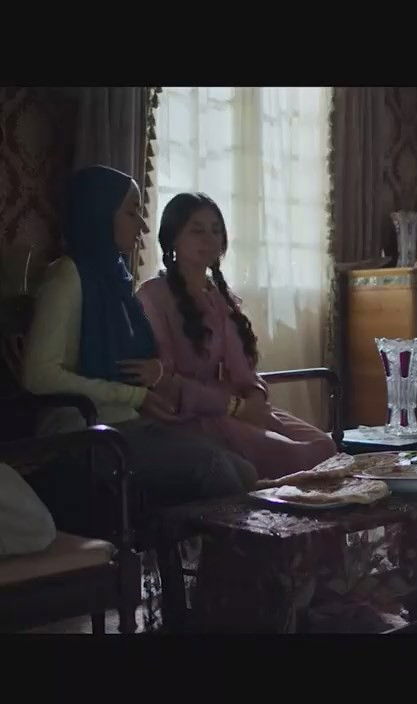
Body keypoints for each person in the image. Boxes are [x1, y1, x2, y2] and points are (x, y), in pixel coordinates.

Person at [21, 166, 254, 531]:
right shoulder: (67, 277)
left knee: (245, 471)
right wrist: (134, 395)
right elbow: (39, 375)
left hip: (125, 421)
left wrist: (149, 384)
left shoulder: (115, 279)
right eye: (131, 212)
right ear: (101, 213)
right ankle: (207, 565)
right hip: (84, 432)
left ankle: (189, 558)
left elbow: (138, 362)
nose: (142, 225)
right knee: (214, 469)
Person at [136, 192, 336, 481]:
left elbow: (244, 370)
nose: (209, 239)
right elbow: (164, 380)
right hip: (191, 416)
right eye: (197, 230)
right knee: (298, 456)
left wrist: (255, 397)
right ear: (173, 238)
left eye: (216, 230)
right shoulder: (153, 295)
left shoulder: (219, 297)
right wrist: (234, 406)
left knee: (324, 447)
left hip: (235, 408)